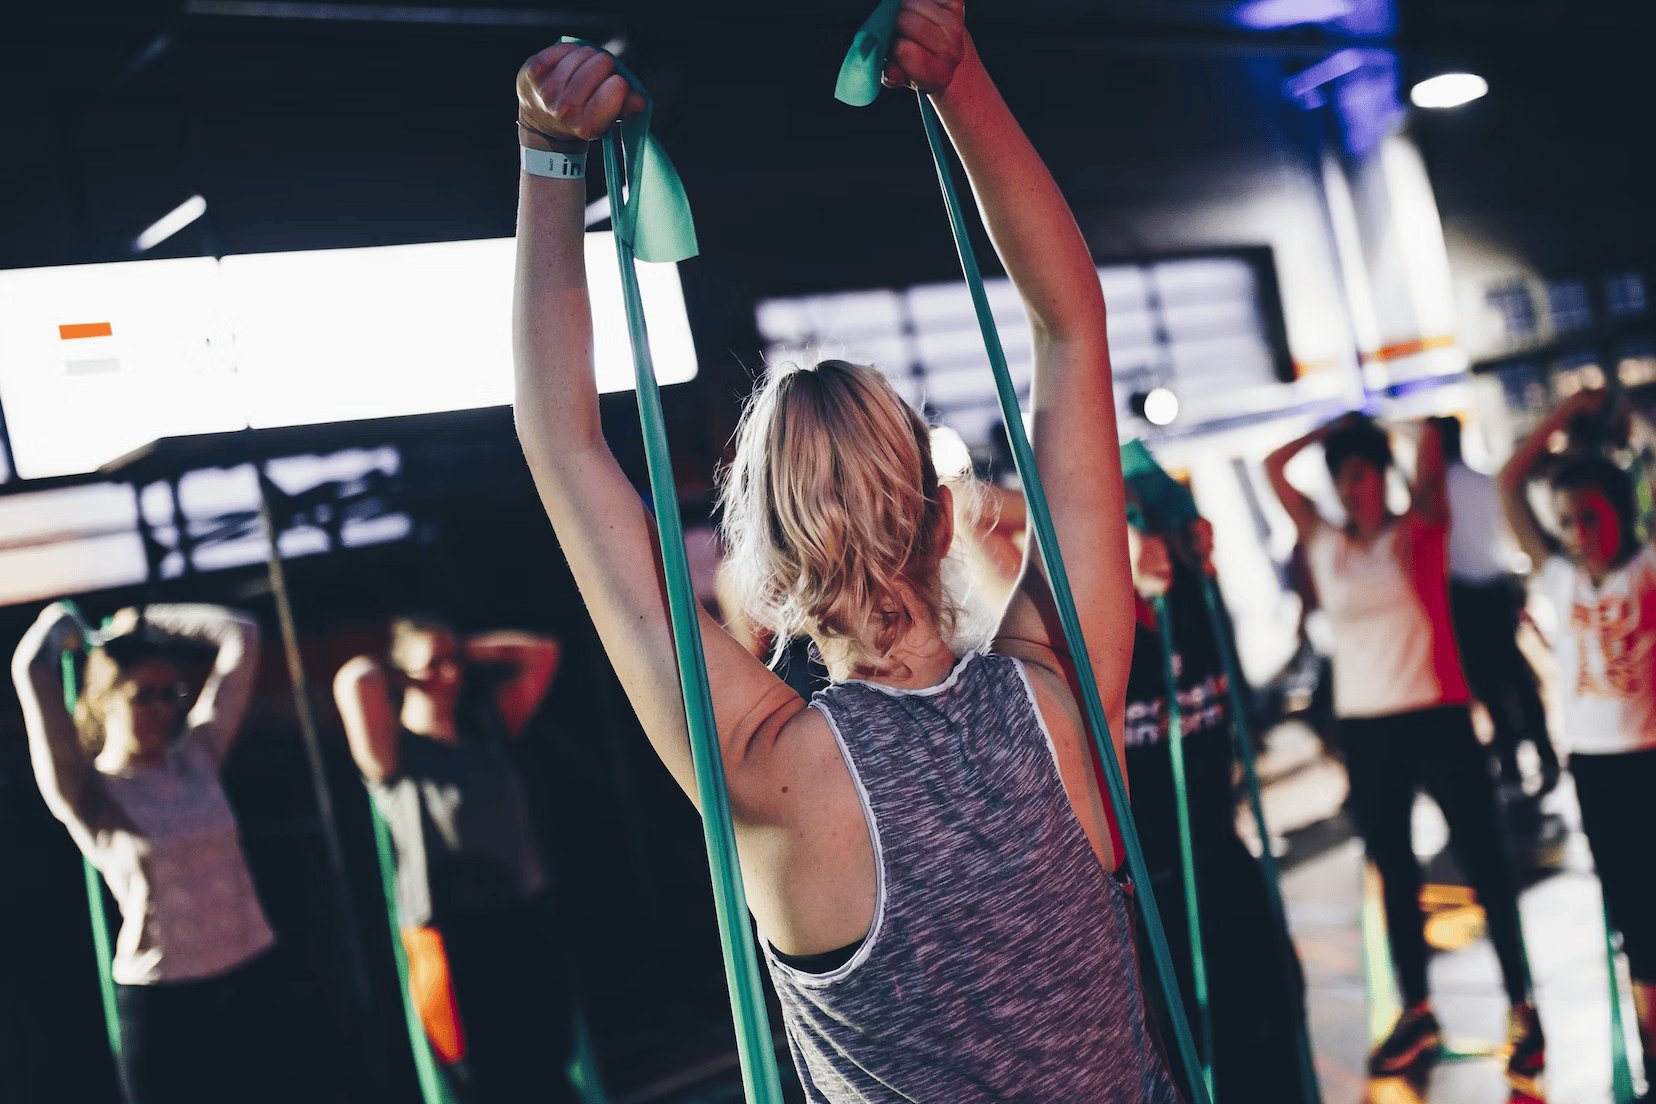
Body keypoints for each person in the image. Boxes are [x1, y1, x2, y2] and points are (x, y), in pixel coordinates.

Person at [510, 5, 1182, 1100]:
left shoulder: (774, 768)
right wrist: (960, 80)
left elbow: (565, 446)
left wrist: (549, 162)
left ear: (763, 579)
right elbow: (1071, 325)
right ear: (943, 515)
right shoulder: (1066, 687)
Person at [1264, 414, 1543, 1082]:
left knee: (1485, 865)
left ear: (1384, 476)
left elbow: (1430, 453)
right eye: (1343, 476)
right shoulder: (1325, 543)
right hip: (1369, 730)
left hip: (1437, 717)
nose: (1353, 487)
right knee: (1393, 873)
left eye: (1363, 472)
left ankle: (1522, 1006)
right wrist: (1338, 425)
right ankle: (1418, 1010)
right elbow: (1276, 465)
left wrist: (1389, 427)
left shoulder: (1418, 531)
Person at [11, 601, 288, 1104]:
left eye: (172, 694)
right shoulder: (87, 790)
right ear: (105, 702)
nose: (165, 709)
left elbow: (241, 633)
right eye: (145, 697)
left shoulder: (197, 756)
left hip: (252, 972)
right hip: (167, 997)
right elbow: (30, 668)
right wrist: (63, 625)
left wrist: (143, 620)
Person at [1122, 517, 1318, 1103]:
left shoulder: (1197, 603)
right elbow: (990, 524)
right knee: (1189, 1058)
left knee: (1278, 1007)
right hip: (1146, 893)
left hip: (1221, 855)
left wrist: (1186, 542)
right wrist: (1115, 545)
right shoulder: (1080, 618)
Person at [333, 618, 566, 1104]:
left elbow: (541, 652)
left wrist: (463, 648)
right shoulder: (393, 753)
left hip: (522, 916)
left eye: (453, 662)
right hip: (450, 933)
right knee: (482, 1076)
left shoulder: (488, 728)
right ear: (401, 675)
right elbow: (355, 679)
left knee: (546, 1059)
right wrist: (403, 671)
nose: (448, 675)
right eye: (432, 665)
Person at [1499, 387, 1656, 1090]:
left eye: (1591, 516)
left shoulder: (1646, 572)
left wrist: (1631, 416)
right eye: (1567, 520)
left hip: (1651, 759)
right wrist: (1564, 414)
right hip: (1597, 770)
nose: (1578, 531)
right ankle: (1653, 1045)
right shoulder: (1559, 578)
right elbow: (1510, 481)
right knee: (1635, 918)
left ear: (1621, 515)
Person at [1431, 414, 1560, 794]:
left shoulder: (1435, 491)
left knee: (1487, 680)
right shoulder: (1482, 481)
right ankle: (1544, 752)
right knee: (1515, 673)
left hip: (1465, 595)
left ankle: (1510, 762)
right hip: (1495, 586)